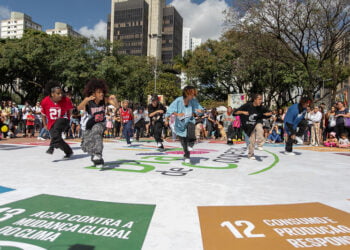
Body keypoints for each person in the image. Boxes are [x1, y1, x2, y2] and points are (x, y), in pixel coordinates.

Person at [78, 79, 118, 165]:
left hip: (101, 123)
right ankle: (95, 157)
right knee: (86, 146)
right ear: (93, 94)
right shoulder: (89, 102)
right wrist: (86, 100)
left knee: (97, 131)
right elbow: (79, 108)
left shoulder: (105, 100)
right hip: (90, 124)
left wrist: (115, 99)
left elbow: (117, 106)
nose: (102, 94)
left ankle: (98, 154)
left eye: (102, 92)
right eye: (99, 92)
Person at [165, 86, 204, 163]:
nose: (193, 96)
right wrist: (167, 119)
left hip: (190, 120)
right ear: (187, 93)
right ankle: (187, 154)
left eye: (194, 95)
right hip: (180, 124)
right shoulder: (178, 101)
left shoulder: (193, 101)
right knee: (183, 142)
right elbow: (169, 111)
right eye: (192, 94)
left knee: (191, 130)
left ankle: (191, 143)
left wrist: (201, 111)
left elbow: (201, 109)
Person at [40, 81, 74, 158]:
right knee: (57, 139)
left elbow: (70, 110)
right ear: (52, 94)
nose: (61, 95)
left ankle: (51, 147)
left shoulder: (66, 100)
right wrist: (45, 124)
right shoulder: (45, 101)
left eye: (61, 93)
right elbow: (43, 114)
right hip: (52, 123)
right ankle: (68, 151)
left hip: (63, 119)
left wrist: (68, 119)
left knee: (57, 127)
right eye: (58, 94)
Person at [235, 94, 272, 160]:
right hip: (248, 125)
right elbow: (235, 112)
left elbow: (269, 113)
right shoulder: (247, 105)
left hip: (257, 122)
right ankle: (250, 154)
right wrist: (243, 112)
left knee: (260, 129)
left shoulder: (261, 107)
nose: (261, 101)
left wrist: (268, 114)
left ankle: (260, 144)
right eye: (259, 99)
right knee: (252, 141)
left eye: (261, 99)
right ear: (255, 100)